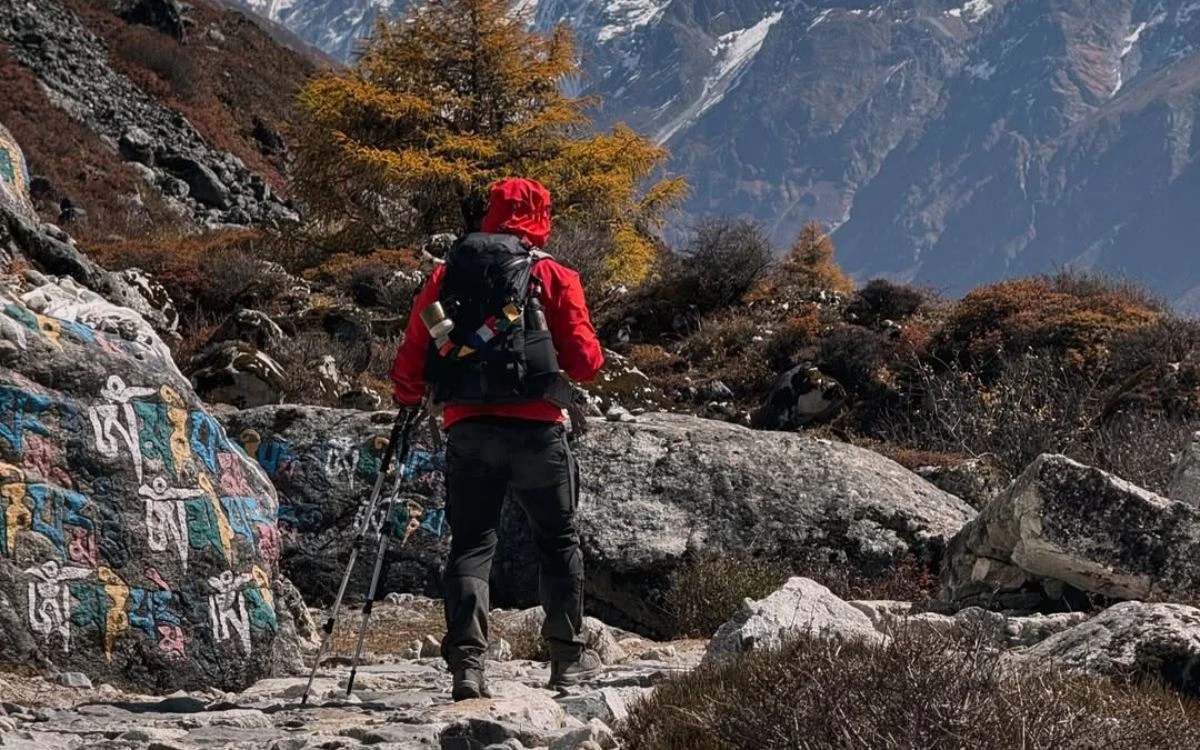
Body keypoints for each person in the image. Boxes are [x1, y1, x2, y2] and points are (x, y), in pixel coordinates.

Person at [390, 177, 605, 700]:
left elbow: (413, 355)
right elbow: (586, 363)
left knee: (471, 544)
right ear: (540, 218)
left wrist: (410, 396)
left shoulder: (446, 275)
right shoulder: (552, 275)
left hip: (467, 429)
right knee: (556, 541)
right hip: (538, 431)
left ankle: (468, 666)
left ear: (491, 213)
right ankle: (567, 659)